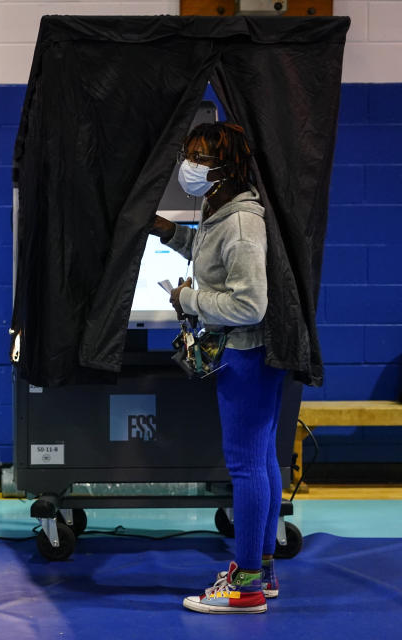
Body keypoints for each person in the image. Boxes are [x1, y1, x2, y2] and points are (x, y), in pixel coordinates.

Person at [150, 122, 284, 614]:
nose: (191, 165)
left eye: (201, 156)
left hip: (245, 354)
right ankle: (261, 570)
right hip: (250, 356)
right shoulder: (223, 210)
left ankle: (246, 587)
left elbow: (250, 304)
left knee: (246, 466)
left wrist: (189, 299)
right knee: (262, 458)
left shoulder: (242, 225)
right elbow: (213, 259)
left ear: (227, 164)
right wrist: (169, 233)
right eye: (189, 154)